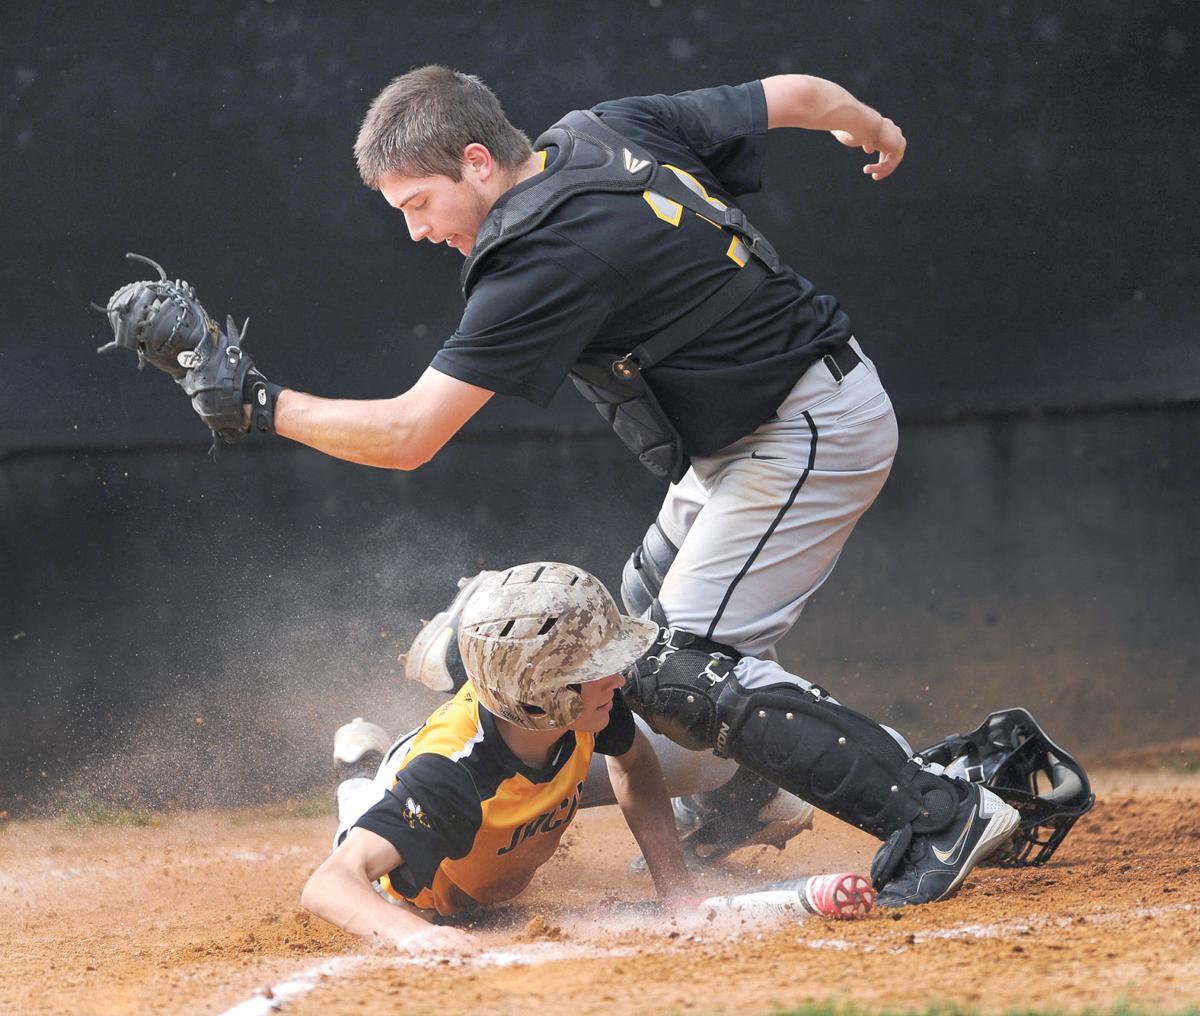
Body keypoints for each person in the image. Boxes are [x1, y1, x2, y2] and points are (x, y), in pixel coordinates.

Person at [178, 67, 1024, 903]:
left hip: (802, 432)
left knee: (673, 672)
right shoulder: (605, 127)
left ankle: (941, 810)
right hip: (751, 435)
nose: (417, 231)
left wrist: (259, 403)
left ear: (477, 161)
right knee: (619, 644)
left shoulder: (538, 256)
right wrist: (870, 125)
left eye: (419, 203)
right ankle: (753, 794)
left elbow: (408, 436)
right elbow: (797, 95)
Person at [302, 561, 694, 952]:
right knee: (361, 816)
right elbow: (329, 883)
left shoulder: (585, 704)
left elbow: (633, 764)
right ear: (540, 693)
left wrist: (675, 889)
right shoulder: (449, 776)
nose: (618, 678)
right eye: (596, 667)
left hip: (491, 767)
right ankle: (358, 770)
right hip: (410, 858)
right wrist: (409, 931)